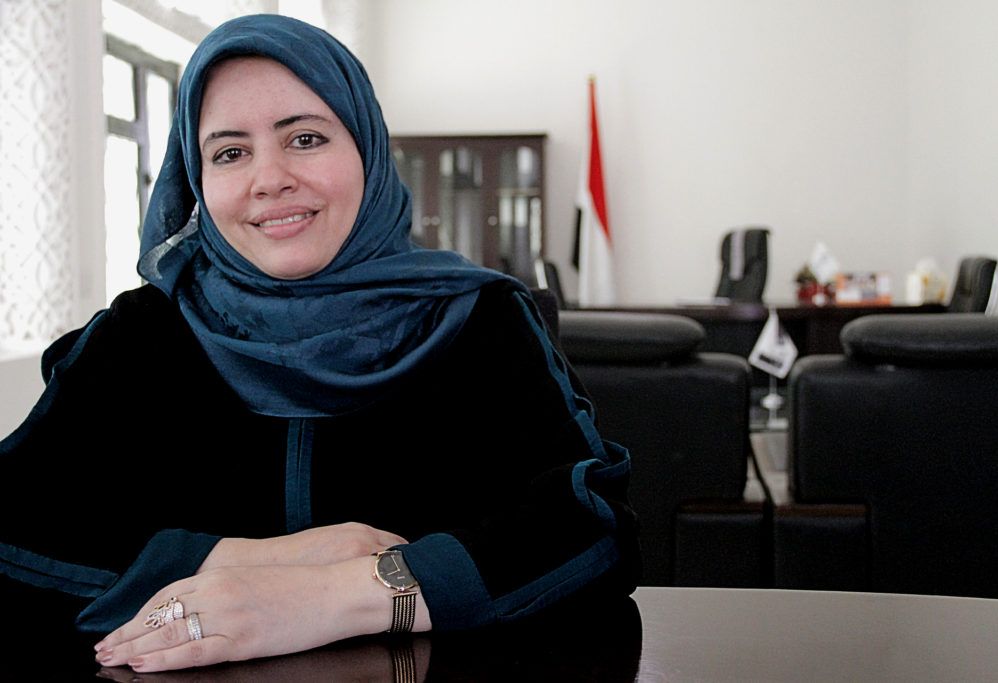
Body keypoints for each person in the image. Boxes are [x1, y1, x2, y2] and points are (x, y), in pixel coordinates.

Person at [0, 13, 639, 674]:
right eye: (229, 152)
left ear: (365, 145)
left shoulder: (482, 319)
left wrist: (337, 595)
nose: (268, 177)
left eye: (304, 138)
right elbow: (17, 520)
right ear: (196, 179)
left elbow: (591, 525)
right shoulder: (140, 335)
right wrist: (249, 562)